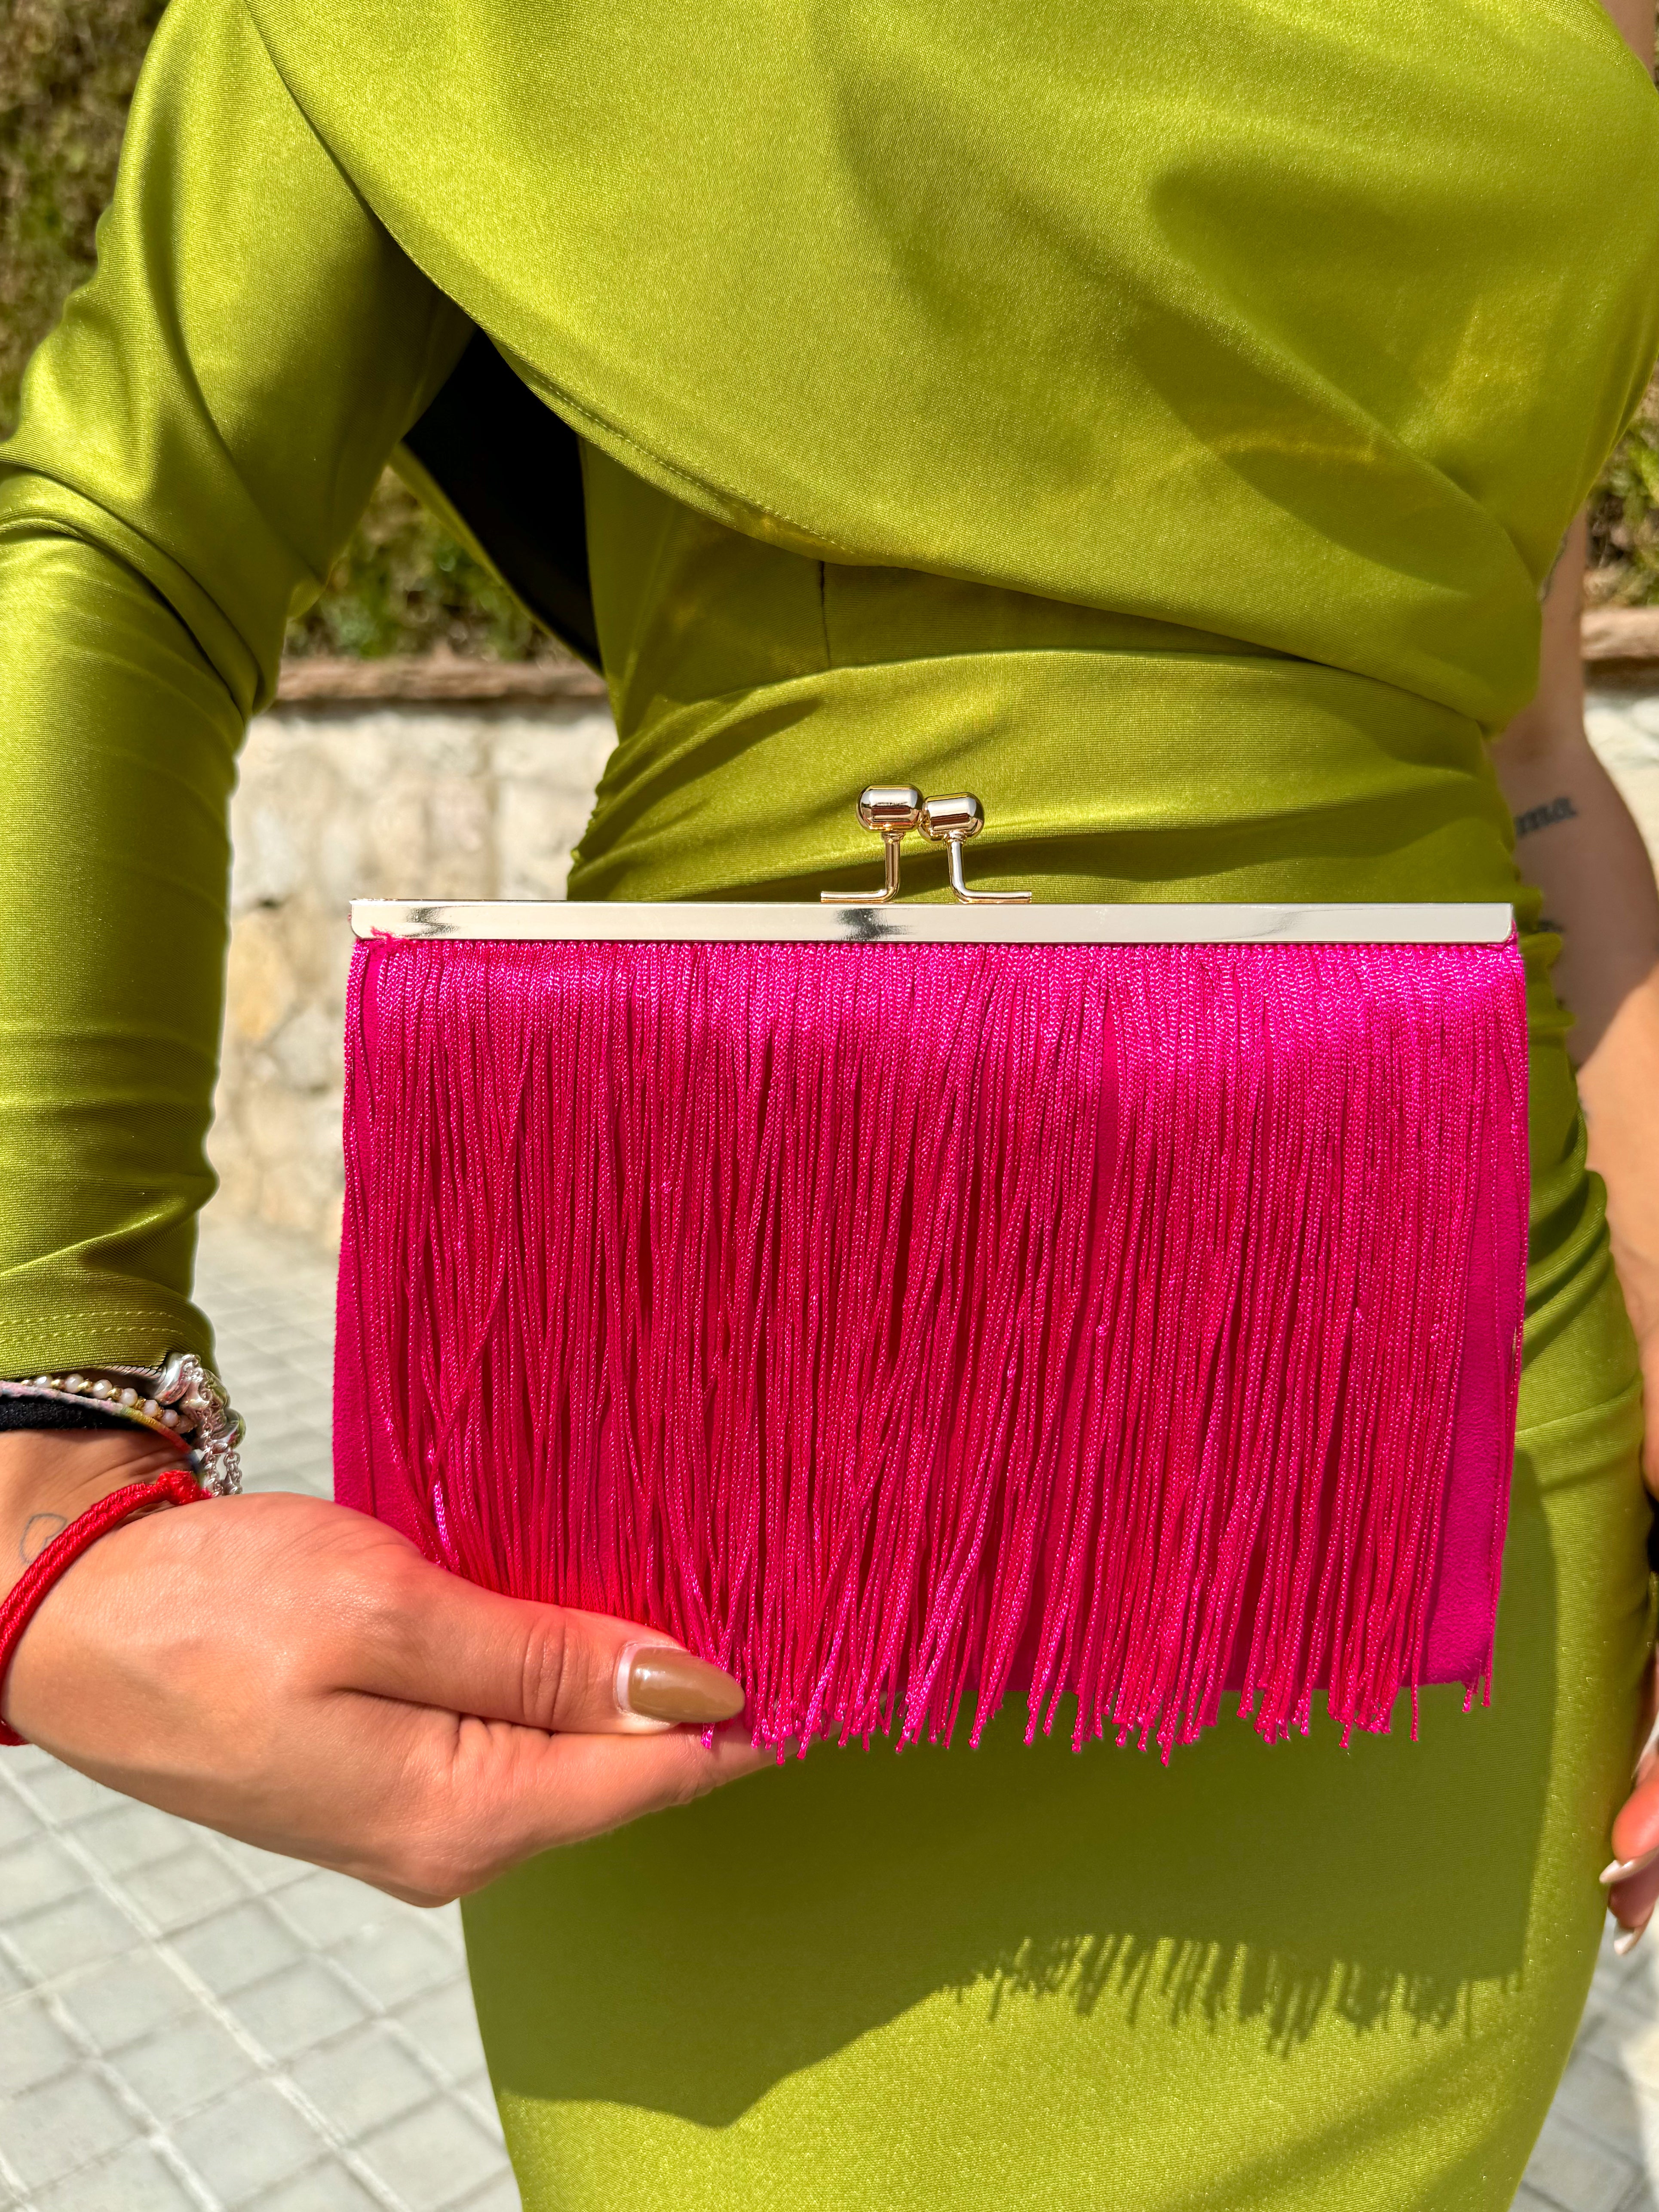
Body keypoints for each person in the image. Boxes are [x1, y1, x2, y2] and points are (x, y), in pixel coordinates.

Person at [3, 0, 1659, 2203]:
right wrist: (42, 1430)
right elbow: (129, 534)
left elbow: (1528, 754)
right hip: (741, 1434)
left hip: (1419, 1434)